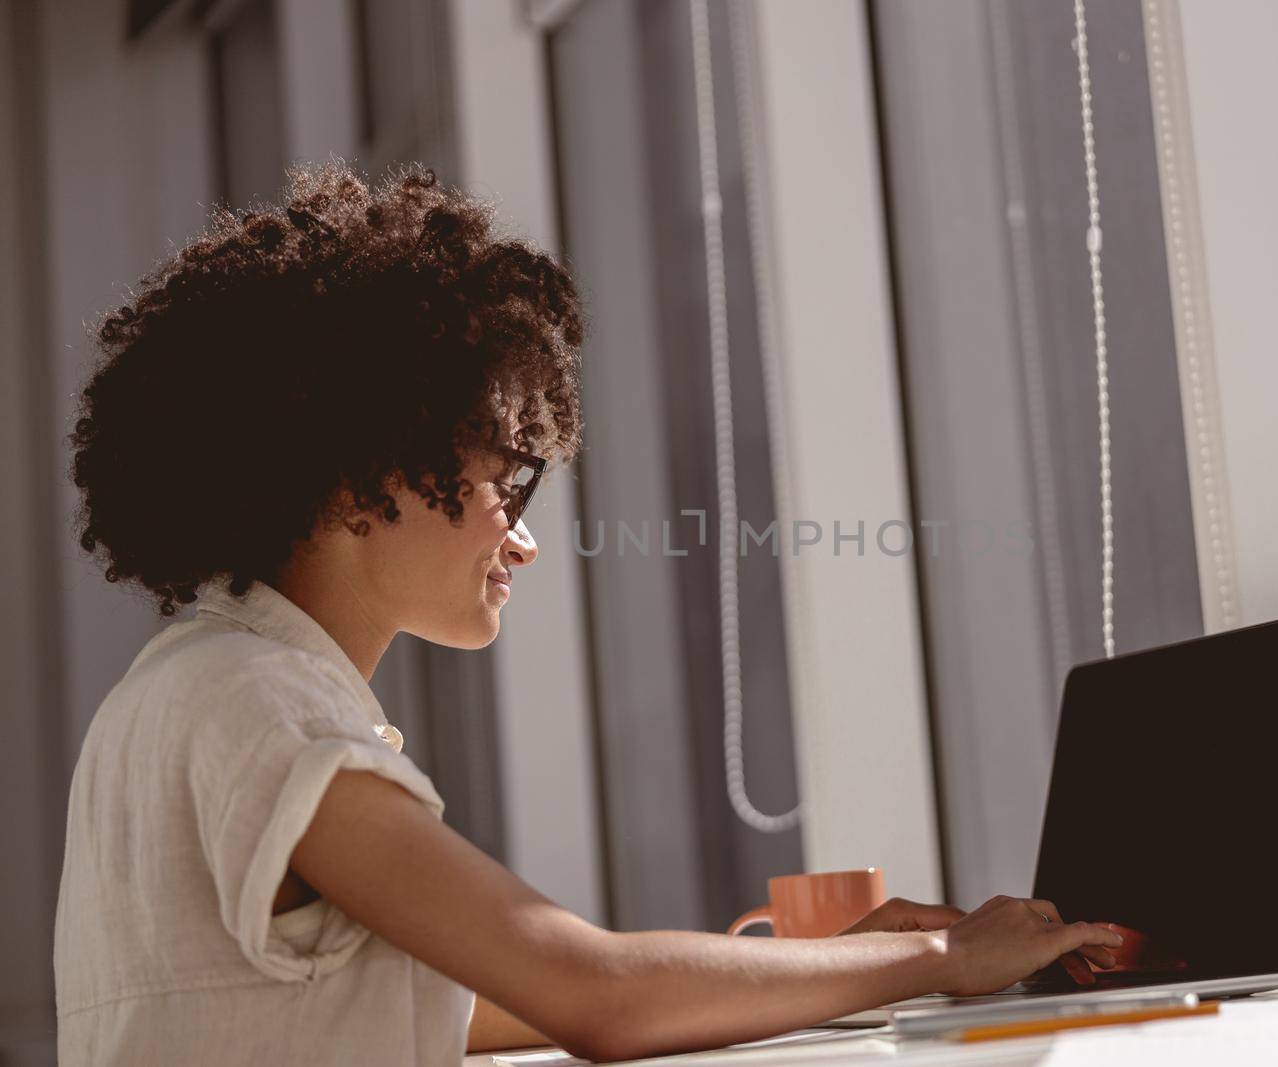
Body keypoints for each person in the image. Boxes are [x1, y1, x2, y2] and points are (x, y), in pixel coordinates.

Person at [55, 162, 1122, 1065]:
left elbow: (452, 1007)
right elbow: (591, 991)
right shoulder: (265, 706)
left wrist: (830, 959)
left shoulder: (179, 689)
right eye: (505, 488)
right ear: (355, 481)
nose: (522, 537)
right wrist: (941, 956)